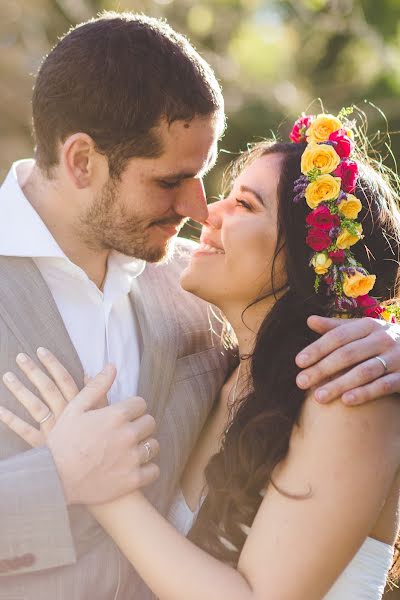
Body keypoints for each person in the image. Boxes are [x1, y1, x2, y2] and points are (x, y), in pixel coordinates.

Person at [0, 10, 400, 599]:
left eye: (216, 183)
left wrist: (390, 342)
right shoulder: (216, 289)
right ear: (82, 161)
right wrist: (54, 482)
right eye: (168, 181)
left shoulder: (192, 286)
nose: (198, 208)